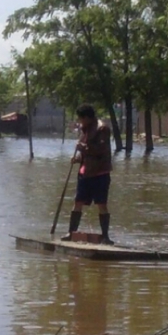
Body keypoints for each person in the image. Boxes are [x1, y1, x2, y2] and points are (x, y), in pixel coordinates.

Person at [62, 104, 114, 245]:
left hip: (100, 173)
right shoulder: (85, 130)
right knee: (78, 202)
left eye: (80, 119)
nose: (80, 122)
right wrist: (77, 159)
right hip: (85, 174)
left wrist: (83, 148)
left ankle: (105, 236)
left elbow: (100, 150)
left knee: (101, 204)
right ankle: (71, 232)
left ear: (86, 117)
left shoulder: (102, 129)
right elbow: (86, 155)